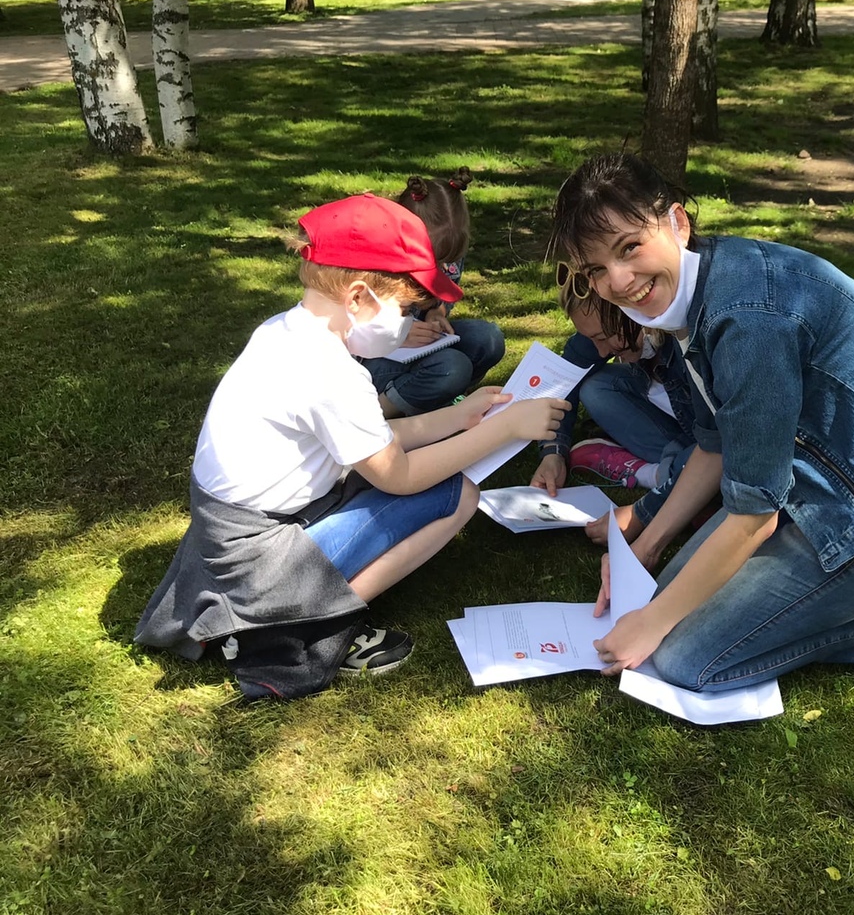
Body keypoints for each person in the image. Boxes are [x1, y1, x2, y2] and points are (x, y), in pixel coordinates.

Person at [548, 152, 854, 695]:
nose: (618, 281)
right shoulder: (694, 288)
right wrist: (645, 547)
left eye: (629, 248)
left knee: (685, 659)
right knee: (663, 604)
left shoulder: (746, 321)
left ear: (677, 223)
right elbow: (715, 444)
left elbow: (754, 516)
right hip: (815, 477)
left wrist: (653, 621)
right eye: (596, 269)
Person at [135, 193, 569, 699]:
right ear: (359, 298)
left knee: (395, 482)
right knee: (460, 496)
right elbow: (397, 475)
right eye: (407, 309)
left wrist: (456, 417)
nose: (410, 322)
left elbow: (371, 442)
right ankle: (305, 623)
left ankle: (285, 611)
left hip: (227, 537)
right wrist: (504, 429)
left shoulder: (285, 333)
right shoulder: (331, 373)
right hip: (260, 557)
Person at [530, 264, 698, 544]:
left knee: (708, 465)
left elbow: (722, 445)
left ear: (631, 310)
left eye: (602, 337)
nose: (601, 351)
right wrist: (553, 453)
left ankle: (655, 476)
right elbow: (564, 381)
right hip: (689, 434)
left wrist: (640, 514)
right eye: (591, 339)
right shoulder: (608, 324)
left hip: (712, 445)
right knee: (596, 387)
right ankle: (677, 478)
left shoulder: (691, 341)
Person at [360, 169, 506, 418]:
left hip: (420, 347)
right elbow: (347, 327)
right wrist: (396, 334)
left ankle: (435, 397)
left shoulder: (446, 251)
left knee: (488, 338)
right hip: (372, 358)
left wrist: (436, 312)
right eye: (431, 261)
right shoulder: (374, 264)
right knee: (453, 367)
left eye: (446, 261)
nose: (440, 266)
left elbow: (440, 295)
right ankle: (382, 412)